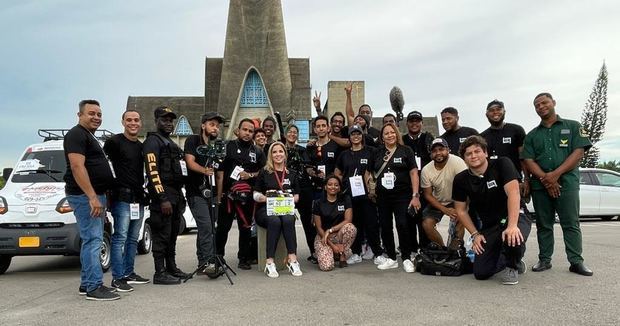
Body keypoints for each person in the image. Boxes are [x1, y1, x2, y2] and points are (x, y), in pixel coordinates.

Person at [522, 93, 593, 276]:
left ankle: (576, 261)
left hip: (567, 184)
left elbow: (578, 153)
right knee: (544, 225)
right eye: (537, 105)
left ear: (553, 102)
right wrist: (547, 179)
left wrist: (555, 175)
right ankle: (544, 259)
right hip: (540, 187)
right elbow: (528, 161)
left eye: (544, 102)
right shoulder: (532, 135)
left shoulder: (574, 126)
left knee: (571, 223)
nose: (541, 107)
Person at [452, 136, 531, 285]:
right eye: (468, 154)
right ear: (464, 159)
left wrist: (512, 225)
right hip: (491, 225)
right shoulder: (460, 179)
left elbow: (513, 193)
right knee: (481, 273)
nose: (473, 156)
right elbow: (461, 210)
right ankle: (506, 255)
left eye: (477, 151)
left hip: (515, 216)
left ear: (486, 153)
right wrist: (475, 234)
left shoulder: (502, 164)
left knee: (512, 237)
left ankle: (513, 265)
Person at [64, 99, 118, 301]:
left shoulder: (89, 136)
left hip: (93, 195)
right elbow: (78, 167)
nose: (96, 117)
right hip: (85, 196)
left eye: (99, 114)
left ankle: (86, 283)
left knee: (92, 240)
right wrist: (92, 197)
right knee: (93, 241)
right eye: (91, 113)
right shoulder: (76, 134)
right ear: (79, 115)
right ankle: (94, 287)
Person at [103, 110, 150, 293]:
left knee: (133, 238)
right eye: (129, 120)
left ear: (140, 123)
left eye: (136, 120)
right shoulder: (114, 142)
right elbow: (105, 165)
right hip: (121, 198)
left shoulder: (141, 146)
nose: (133, 123)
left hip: (137, 198)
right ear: (122, 121)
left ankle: (129, 273)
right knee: (120, 237)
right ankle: (117, 278)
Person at [366, 123, 421, 272]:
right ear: (382, 137)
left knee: (402, 224)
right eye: (386, 133)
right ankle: (391, 257)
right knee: (385, 226)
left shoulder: (406, 150)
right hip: (382, 196)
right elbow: (368, 172)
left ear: (396, 134)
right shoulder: (377, 152)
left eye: (392, 132)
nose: (390, 135)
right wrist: (370, 188)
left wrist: (415, 195)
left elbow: (414, 173)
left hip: (402, 195)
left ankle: (406, 257)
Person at [143, 106, 189, 285]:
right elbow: (153, 172)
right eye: (164, 120)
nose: (168, 123)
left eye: (171, 120)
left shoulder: (171, 143)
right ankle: (159, 272)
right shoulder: (152, 142)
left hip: (176, 194)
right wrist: (162, 199)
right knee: (161, 235)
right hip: (163, 196)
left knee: (172, 235)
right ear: (156, 121)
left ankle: (171, 267)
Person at [216, 118, 266, 270]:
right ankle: (218, 257)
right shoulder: (228, 146)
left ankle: (243, 258)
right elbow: (220, 172)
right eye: (245, 130)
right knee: (223, 228)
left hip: (247, 197)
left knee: (245, 227)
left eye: (251, 131)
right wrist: (219, 195)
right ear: (238, 130)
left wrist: (250, 175)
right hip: (228, 195)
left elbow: (264, 172)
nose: (247, 133)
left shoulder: (257, 151)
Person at [334, 125, 384, 265]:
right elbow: (337, 172)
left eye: (358, 134)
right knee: (355, 224)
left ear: (362, 135)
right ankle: (356, 252)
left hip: (367, 195)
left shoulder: (371, 151)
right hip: (349, 195)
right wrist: (342, 184)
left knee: (372, 224)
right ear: (349, 137)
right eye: (353, 134)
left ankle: (377, 252)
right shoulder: (344, 154)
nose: (355, 136)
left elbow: (378, 169)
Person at [253, 142, 303, 277]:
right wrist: (267, 198)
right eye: (274, 152)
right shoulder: (264, 172)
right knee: (274, 221)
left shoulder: (291, 173)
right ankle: (269, 262)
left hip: (285, 209)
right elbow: (255, 194)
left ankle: (292, 259)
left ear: (285, 154)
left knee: (288, 218)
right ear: (270, 155)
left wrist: (287, 198)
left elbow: (297, 196)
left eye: (280, 151)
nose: (278, 154)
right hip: (266, 210)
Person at [183, 112, 224, 275]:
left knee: (209, 229)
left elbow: (220, 173)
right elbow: (189, 162)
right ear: (203, 126)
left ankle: (202, 262)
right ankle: (208, 262)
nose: (215, 128)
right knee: (206, 227)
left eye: (217, 126)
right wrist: (205, 170)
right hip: (196, 192)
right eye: (212, 124)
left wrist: (219, 197)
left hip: (212, 193)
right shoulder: (193, 140)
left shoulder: (216, 146)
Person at [420, 138, 467, 247]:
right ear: (431, 154)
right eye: (434, 151)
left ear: (448, 150)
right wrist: (445, 210)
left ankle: (455, 249)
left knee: (461, 217)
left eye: (441, 149)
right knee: (427, 224)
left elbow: (466, 187)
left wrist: (460, 209)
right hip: (438, 201)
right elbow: (428, 195)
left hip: (457, 199)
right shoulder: (426, 170)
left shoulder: (458, 162)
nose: (438, 153)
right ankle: (442, 250)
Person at [480, 100, 530, 202]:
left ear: (504, 111)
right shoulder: (482, 137)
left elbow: (523, 158)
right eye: (491, 110)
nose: (495, 112)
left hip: (515, 181)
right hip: (492, 183)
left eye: (498, 109)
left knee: (519, 214)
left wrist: (526, 179)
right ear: (486, 114)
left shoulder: (517, 130)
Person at [283, 124, 317, 264]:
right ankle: (288, 254)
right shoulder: (279, 149)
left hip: (303, 188)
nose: (292, 134)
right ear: (285, 134)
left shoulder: (302, 150)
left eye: (295, 132)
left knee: (308, 222)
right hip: (285, 188)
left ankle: (314, 251)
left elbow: (308, 167)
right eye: (290, 132)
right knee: (286, 221)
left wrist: (313, 173)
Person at [402, 110, 434, 250]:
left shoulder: (428, 139)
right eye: (411, 121)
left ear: (421, 123)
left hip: (425, 186)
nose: (414, 123)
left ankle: (425, 248)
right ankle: (412, 249)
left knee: (424, 220)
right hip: (408, 187)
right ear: (407, 123)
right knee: (409, 220)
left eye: (417, 121)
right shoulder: (402, 140)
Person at [313, 175, 357, 271]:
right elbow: (318, 227)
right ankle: (330, 252)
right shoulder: (318, 203)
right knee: (327, 266)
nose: (333, 187)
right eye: (330, 184)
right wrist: (331, 245)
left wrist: (331, 229)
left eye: (336, 185)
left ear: (339, 188)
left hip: (339, 235)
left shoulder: (345, 199)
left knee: (350, 228)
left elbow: (348, 220)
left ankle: (342, 255)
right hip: (324, 237)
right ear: (325, 187)